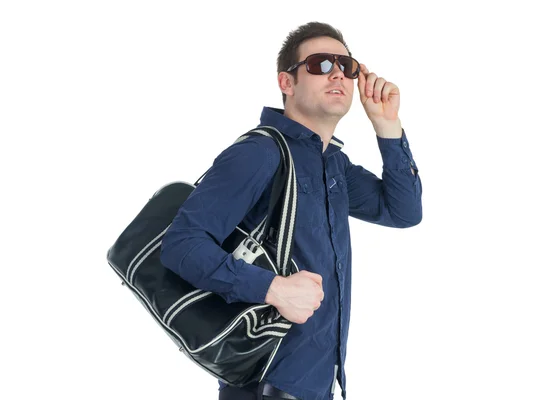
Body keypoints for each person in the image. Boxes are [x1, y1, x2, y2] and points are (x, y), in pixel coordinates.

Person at [159, 21, 422, 400]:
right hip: (263, 390)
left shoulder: (333, 164)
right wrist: (273, 288)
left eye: (346, 66)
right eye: (320, 64)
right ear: (286, 82)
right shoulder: (258, 153)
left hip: (319, 389)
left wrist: (387, 124)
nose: (338, 74)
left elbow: (404, 212)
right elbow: (181, 244)